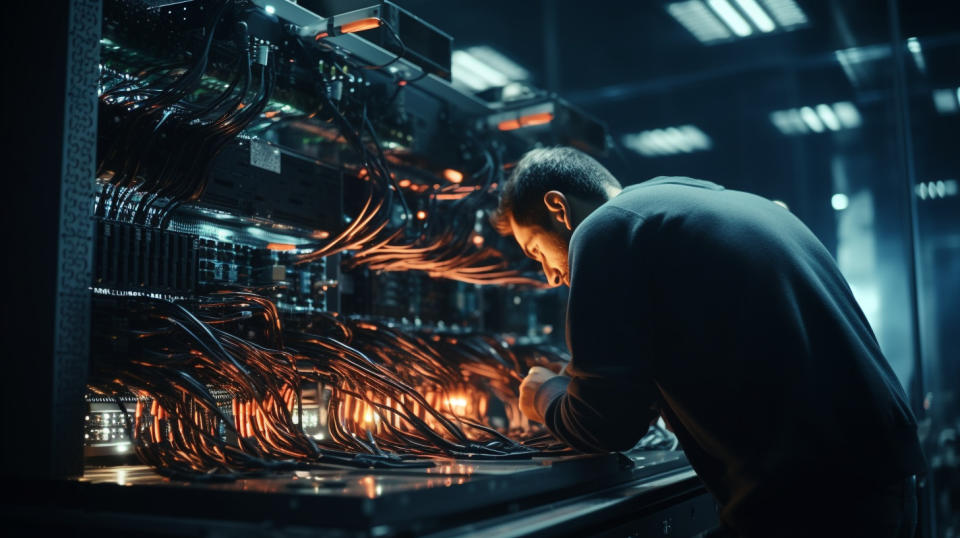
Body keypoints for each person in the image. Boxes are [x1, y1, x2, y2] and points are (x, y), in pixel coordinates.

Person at [495, 147, 925, 538]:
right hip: (888, 483)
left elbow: (604, 424)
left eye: (536, 252)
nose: (550, 277)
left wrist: (544, 394)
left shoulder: (606, 229)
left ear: (558, 208)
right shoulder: (730, 206)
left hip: (811, 504)